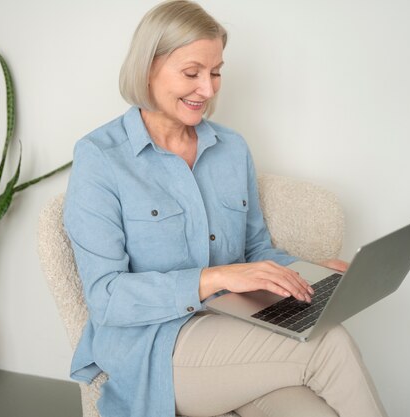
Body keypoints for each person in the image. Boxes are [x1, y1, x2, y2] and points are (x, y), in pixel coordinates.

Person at [63, 1, 388, 416]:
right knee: (329, 343)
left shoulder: (231, 149)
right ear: (148, 68)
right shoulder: (100, 158)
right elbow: (106, 297)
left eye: (216, 72)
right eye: (192, 73)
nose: (209, 89)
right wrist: (214, 277)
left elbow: (257, 253)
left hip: (239, 332)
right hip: (156, 350)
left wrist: (310, 271)